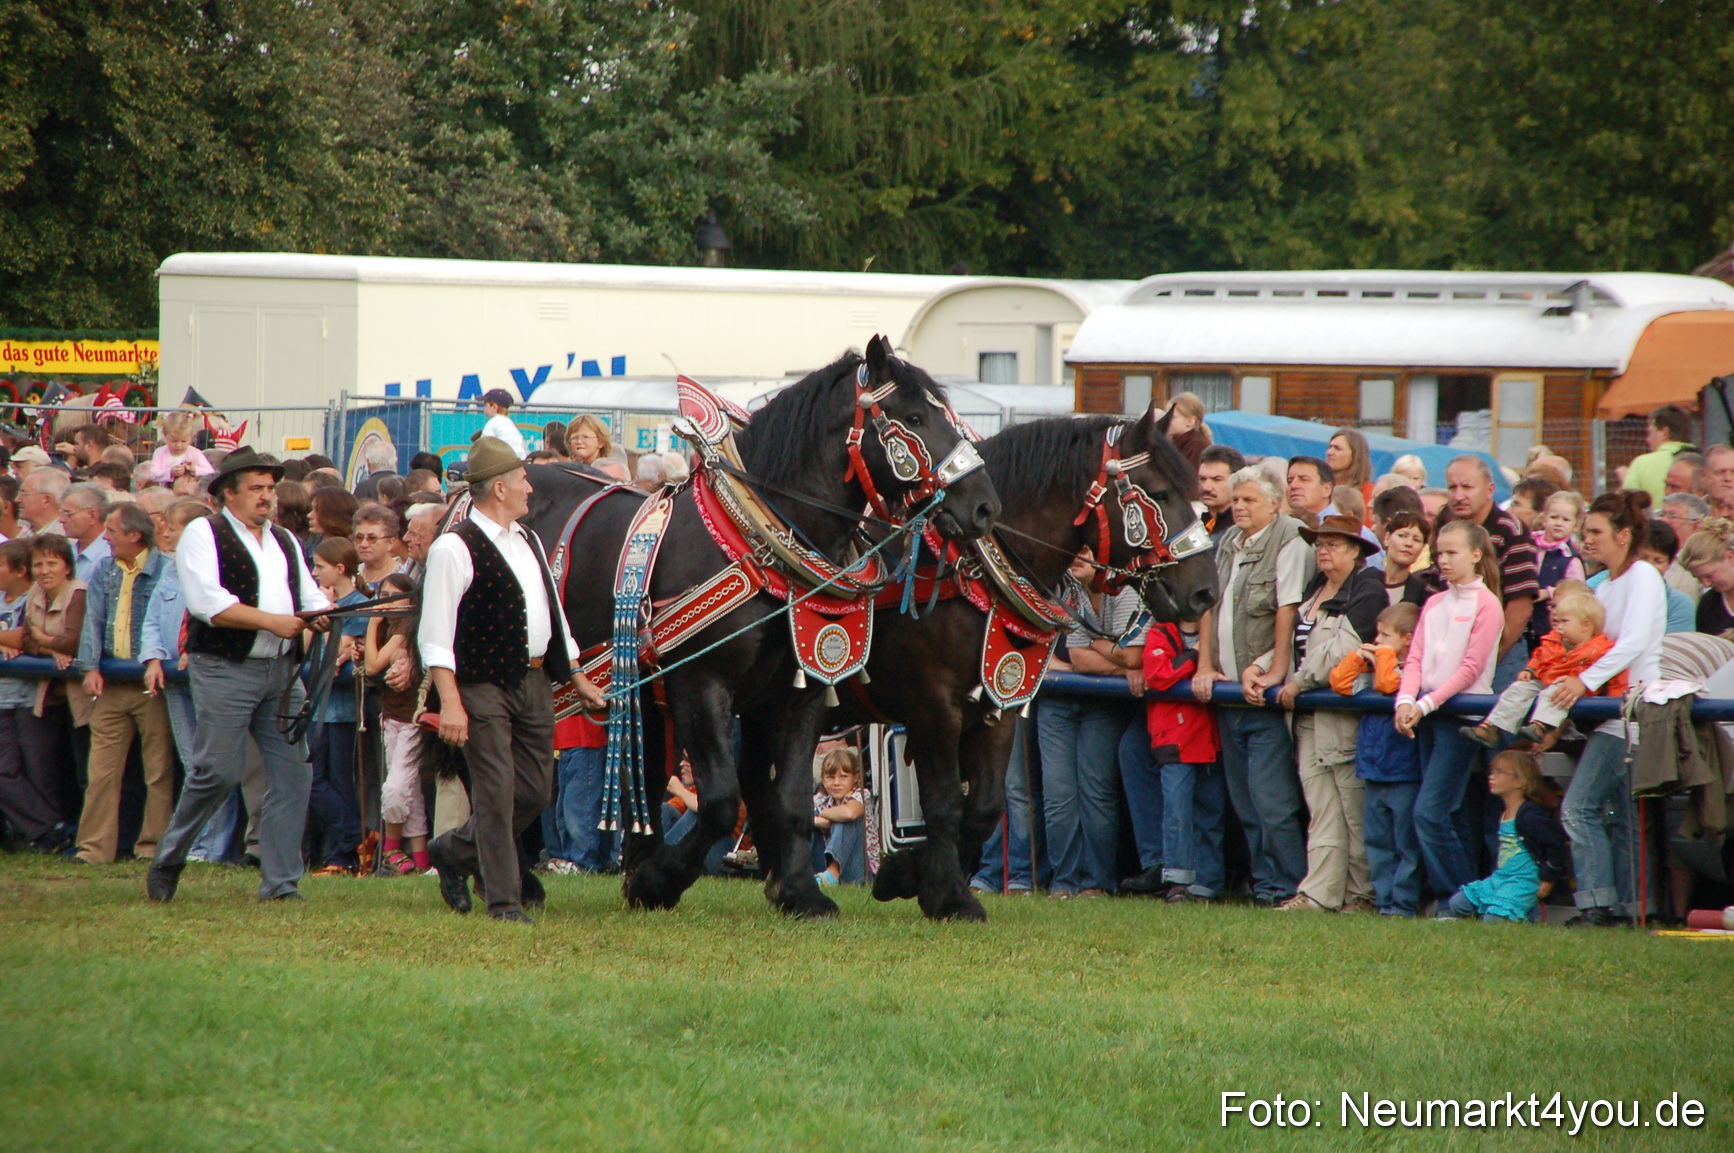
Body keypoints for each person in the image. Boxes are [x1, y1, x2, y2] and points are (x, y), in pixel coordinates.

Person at [420, 436, 604, 922]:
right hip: (480, 684)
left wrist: (578, 674)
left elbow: (551, 611)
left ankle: (453, 853)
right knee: (497, 795)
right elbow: (436, 637)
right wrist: (450, 702)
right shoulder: (453, 549)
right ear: (499, 488)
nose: (530, 487)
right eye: (523, 479)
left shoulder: (530, 539)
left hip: (535, 681)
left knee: (535, 792)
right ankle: (504, 902)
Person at [147, 446, 333, 904]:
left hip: (282, 672)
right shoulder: (202, 534)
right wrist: (274, 621)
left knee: (295, 775)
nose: (266, 496)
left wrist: (323, 614)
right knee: (218, 771)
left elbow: (308, 596)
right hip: (225, 669)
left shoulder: (287, 540)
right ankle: (169, 857)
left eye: (270, 488)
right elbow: (207, 604)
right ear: (228, 493)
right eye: (256, 488)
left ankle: (281, 884)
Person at [1193, 466, 1315, 907]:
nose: (1240, 507)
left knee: (1272, 802)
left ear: (1274, 503)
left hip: (1262, 694)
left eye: (1249, 500)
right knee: (1244, 803)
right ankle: (1265, 885)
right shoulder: (1226, 540)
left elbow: (1289, 609)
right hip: (1227, 690)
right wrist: (1204, 663)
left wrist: (1275, 668)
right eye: (1237, 499)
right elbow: (1207, 603)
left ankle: (1285, 887)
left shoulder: (1292, 536)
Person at [1555, 492, 1668, 927]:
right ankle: (1633, 908)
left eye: (1596, 532)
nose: (1587, 540)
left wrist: (1580, 682)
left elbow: (1636, 641)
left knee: (1579, 808)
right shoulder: (1602, 584)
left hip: (1631, 712)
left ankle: (1598, 905)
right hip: (1605, 711)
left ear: (1624, 535)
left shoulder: (1643, 576)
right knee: (1619, 818)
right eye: (1585, 532)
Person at [1274, 514, 1385, 912]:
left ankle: (1362, 895)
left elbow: (1345, 652)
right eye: (1320, 544)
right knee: (1321, 808)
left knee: (1354, 810)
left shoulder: (1369, 588)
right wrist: (1264, 666)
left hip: (1343, 714)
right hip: (1307, 716)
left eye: (1333, 544)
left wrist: (1297, 682)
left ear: (1356, 551)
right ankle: (1319, 895)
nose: (1323, 550)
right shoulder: (1315, 587)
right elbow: (1295, 644)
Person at [1394, 520, 1504, 903]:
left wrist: (1422, 703)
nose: (1443, 560)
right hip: (1430, 716)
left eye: (1452, 552)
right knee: (1448, 813)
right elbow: (1416, 658)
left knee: (1431, 811)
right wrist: (1405, 701)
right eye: (1440, 553)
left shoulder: (1487, 604)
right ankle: (1465, 897)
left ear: (1476, 555)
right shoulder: (1435, 602)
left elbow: (1471, 669)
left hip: (1460, 721)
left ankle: (1458, 898)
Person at [72, 503, 175, 864]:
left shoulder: (167, 569)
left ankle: (153, 847)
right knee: (100, 771)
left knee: (158, 770)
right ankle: (93, 849)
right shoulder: (104, 568)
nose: (105, 537)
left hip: (153, 685)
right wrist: (90, 667)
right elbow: (93, 621)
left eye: (112, 531)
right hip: (112, 684)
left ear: (134, 535)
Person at [1039, 547, 1144, 898]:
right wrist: (1116, 659)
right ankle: (1064, 882)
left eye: (1087, 551)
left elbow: (1136, 655)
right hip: (1058, 702)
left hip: (1104, 706)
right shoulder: (1071, 592)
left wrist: (1109, 654)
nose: (1077, 557)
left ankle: (1097, 882)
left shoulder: (1127, 592)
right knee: (1058, 795)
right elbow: (1082, 659)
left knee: (1097, 791)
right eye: (1074, 550)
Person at [140, 500, 233, 863]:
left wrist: (195, 647)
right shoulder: (170, 569)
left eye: (173, 527)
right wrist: (151, 657)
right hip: (175, 684)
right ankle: (194, 843)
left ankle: (213, 847)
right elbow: (151, 619)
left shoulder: (219, 570)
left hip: (211, 678)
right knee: (192, 762)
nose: (165, 533)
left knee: (213, 765)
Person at [1122, 614, 1224, 903]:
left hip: (1207, 738)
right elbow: (1158, 674)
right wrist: (1197, 658)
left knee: (1209, 813)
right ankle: (1178, 881)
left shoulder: (1216, 632)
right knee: (1177, 811)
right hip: (1173, 739)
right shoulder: (1160, 632)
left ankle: (1207, 883)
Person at [1331, 601, 1423, 917]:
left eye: (1385, 636)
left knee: (1404, 843)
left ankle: (1404, 904)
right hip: (1373, 768)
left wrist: (1382, 656)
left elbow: (1388, 684)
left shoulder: (1413, 668)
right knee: (1377, 841)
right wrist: (1358, 657)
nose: (1378, 641)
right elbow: (1339, 684)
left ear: (1408, 638)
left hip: (1403, 770)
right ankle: (1384, 901)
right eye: (1377, 635)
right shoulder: (1377, 662)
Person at [1462, 590, 1627, 750]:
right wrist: (1530, 669)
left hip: (1570, 689)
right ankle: (1492, 726)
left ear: (1586, 625)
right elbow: (1540, 655)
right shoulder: (1554, 640)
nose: (1559, 626)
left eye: (1565, 621)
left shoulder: (1601, 650)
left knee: (1557, 692)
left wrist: (1610, 700)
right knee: (1518, 689)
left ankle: (1541, 725)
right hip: (1545, 680)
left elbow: (1612, 680)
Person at [1433, 456, 1540, 691]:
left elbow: (1520, 605)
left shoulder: (1511, 529)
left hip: (1501, 654)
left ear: (1489, 490)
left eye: (1467, 487)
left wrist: (1492, 654)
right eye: (1452, 487)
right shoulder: (1445, 529)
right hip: (1449, 649)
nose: (1458, 495)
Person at [0, 538, 75, 854]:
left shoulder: (34, 597)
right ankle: (50, 829)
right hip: (2, 698)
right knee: (4, 771)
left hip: (34, 695)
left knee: (39, 769)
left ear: (19, 571)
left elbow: (24, 636)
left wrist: (13, 640)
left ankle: (45, 838)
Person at [1439, 751, 1569, 923]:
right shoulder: (1505, 813)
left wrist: (1548, 878)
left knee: (1493, 921)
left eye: (1499, 773)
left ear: (1520, 782)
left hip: (1524, 882)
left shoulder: (1531, 816)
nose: (1492, 777)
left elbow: (1556, 846)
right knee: (1458, 903)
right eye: (1492, 772)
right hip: (1501, 879)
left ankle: (1531, 914)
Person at [305, 537, 370, 876]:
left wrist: (332, 620)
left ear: (340, 569)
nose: (314, 573)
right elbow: (309, 651)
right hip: (318, 706)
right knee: (315, 779)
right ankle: (351, 840)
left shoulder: (358, 605)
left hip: (343, 709)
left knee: (339, 781)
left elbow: (337, 655)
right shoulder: (320, 603)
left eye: (320, 566)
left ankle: (346, 851)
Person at [365, 572, 429, 876]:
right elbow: (367, 666)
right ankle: (420, 856)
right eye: (382, 594)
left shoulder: (404, 627)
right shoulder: (387, 626)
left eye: (393, 595)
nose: (386, 601)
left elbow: (373, 665)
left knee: (396, 787)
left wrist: (372, 622)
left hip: (411, 718)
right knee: (409, 790)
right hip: (389, 716)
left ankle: (391, 846)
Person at [1528, 491, 1586, 645]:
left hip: (1550, 626)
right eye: (1554, 517)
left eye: (1566, 519)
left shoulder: (1570, 558)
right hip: (1526, 623)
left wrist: (1548, 592)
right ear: (1544, 518)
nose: (1559, 523)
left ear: (1576, 525)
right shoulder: (1530, 544)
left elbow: (1577, 593)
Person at [811, 747, 875, 885]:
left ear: (856, 778)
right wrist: (821, 820)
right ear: (823, 779)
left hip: (859, 870)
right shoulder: (823, 799)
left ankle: (831, 875)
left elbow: (850, 813)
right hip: (827, 865)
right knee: (811, 819)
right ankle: (808, 873)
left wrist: (824, 815)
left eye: (844, 777)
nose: (836, 783)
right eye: (830, 777)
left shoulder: (861, 795)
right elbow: (804, 815)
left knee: (844, 818)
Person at [1621, 404, 1694, 503]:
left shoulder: (1642, 464)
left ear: (1665, 432)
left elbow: (1628, 505)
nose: (1647, 440)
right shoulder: (1704, 461)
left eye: (1650, 433)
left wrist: (1625, 479)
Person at [1681, 519, 1734, 636]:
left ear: (1730, 558)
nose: (1705, 584)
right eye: (1699, 579)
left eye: (1709, 575)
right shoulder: (1709, 603)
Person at [1377, 510, 1430, 606]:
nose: (1408, 543)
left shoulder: (1422, 593)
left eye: (1416, 540)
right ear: (1387, 538)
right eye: (1402, 536)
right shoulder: (1364, 581)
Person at [61, 483, 111, 581]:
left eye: (68, 514)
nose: (61, 520)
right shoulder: (68, 551)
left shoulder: (109, 557)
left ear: (92, 516)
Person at [148, 411, 215, 485]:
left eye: (183, 441)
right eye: (174, 441)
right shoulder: (160, 452)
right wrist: (170, 472)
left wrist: (195, 469)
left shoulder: (195, 453)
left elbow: (210, 473)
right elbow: (153, 474)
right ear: (165, 436)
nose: (179, 445)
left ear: (191, 438)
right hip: (166, 492)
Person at [351, 502, 404, 592]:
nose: (364, 544)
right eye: (359, 538)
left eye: (372, 538)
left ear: (390, 542)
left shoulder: (404, 577)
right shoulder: (350, 576)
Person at [1196, 444, 1245, 540]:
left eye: (1216, 479)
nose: (1206, 487)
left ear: (1237, 482)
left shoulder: (1243, 530)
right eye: (1202, 479)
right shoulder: (1199, 524)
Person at [1325, 428, 1373, 520]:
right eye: (1330, 447)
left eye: (1337, 448)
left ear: (1355, 454)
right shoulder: (1322, 489)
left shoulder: (1368, 493)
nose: (1329, 452)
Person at [1163, 392, 1211, 467]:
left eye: (1172, 417)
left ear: (1190, 421)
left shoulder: (1196, 446)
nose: (1166, 420)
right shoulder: (1175, 443)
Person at [1285, 455, 1334, 527]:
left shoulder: (1342, 527)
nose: (1293, 485)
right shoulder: (1280, 526)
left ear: (1327, 489)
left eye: (1304, 479)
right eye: (1290, 481)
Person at [478, 389, 528, 457]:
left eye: (485, 405)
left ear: (494, 407)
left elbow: (482, 448)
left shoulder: (493, 423)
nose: (484, 408)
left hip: (503, 463)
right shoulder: (510, 423)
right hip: (519, 462)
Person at [1701, 445, 1734, 519]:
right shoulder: (1693, 511)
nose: (1728, 478)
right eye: (1720, 472)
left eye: (1733, 472)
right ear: (1703, 476)